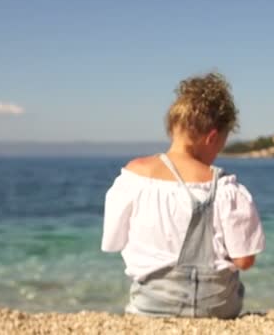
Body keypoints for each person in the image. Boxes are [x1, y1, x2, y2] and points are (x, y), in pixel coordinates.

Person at [101, 72, 265, 319]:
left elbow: (113, 241)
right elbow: (244, 261)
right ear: (212, 137)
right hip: (218, 308)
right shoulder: (223, 187)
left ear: (173, 128)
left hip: (151, 306)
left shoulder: (134, 178)